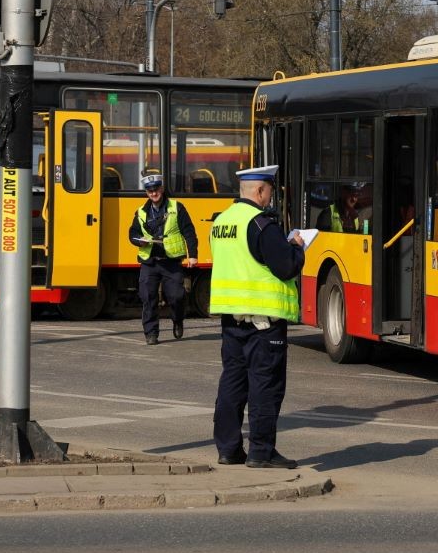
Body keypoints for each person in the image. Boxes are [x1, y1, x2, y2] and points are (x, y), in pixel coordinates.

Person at [209, 164, 305, 468]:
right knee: (265, 386)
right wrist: (298, 248)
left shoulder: (221, 222)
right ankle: (261, 453)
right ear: (260, 191)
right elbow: (286, 266)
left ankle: (228, 449)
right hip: (264, 323)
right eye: (270, 191)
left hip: (231, 320)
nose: (270, 197)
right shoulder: (262, 225)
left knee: (232, 384)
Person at [127, 173, 198, 345]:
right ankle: (151, 333)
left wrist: (193, 255)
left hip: (171, 262)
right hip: (149, 261)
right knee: (148, 297)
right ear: (146, 193)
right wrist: (139, 241)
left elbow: (189, 231)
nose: (153, 193)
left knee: (177, 297)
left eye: (156, 189)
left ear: (162, 188)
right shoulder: (141, 212)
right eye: (150, 190)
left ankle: (178, 319)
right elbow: (133, 233)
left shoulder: (177, 208)